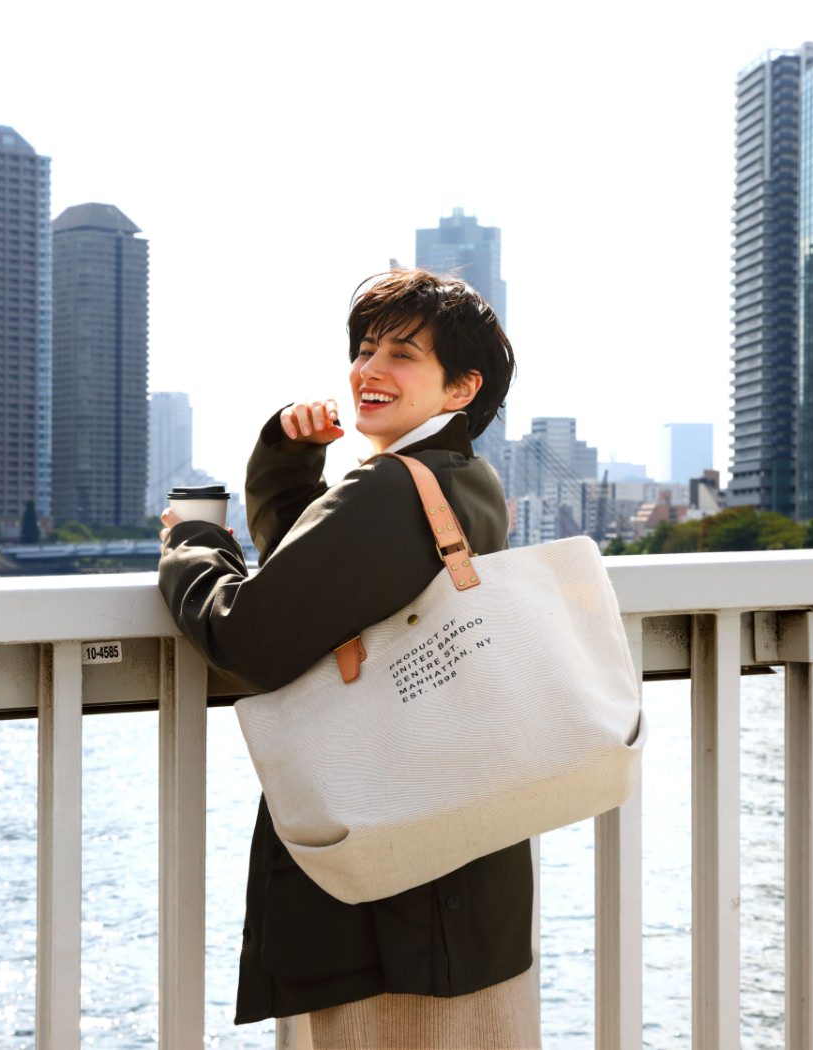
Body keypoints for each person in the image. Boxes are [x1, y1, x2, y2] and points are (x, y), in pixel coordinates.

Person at [156, 269, 537, 1048]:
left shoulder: (390, 491)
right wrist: (289, 459)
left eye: (402, 354)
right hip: (464, 873)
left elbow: (247, 638)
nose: (369, 369)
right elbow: (321, 586)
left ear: (461, 387)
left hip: (390, 901)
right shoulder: (464, 479)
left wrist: (191, 544)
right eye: (364, 349)